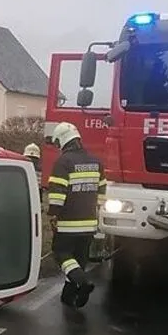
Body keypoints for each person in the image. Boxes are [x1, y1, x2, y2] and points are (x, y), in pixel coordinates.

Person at [45, 121, 105, 308]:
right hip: (89, 222)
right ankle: (70, 296)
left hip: (69, 222)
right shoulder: (96, 162)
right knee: (78, 260)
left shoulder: (64, 162)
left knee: (61, 253)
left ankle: (83, 282)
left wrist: (53, 214)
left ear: (62, 141)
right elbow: (101, 192)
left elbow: (57, 193)